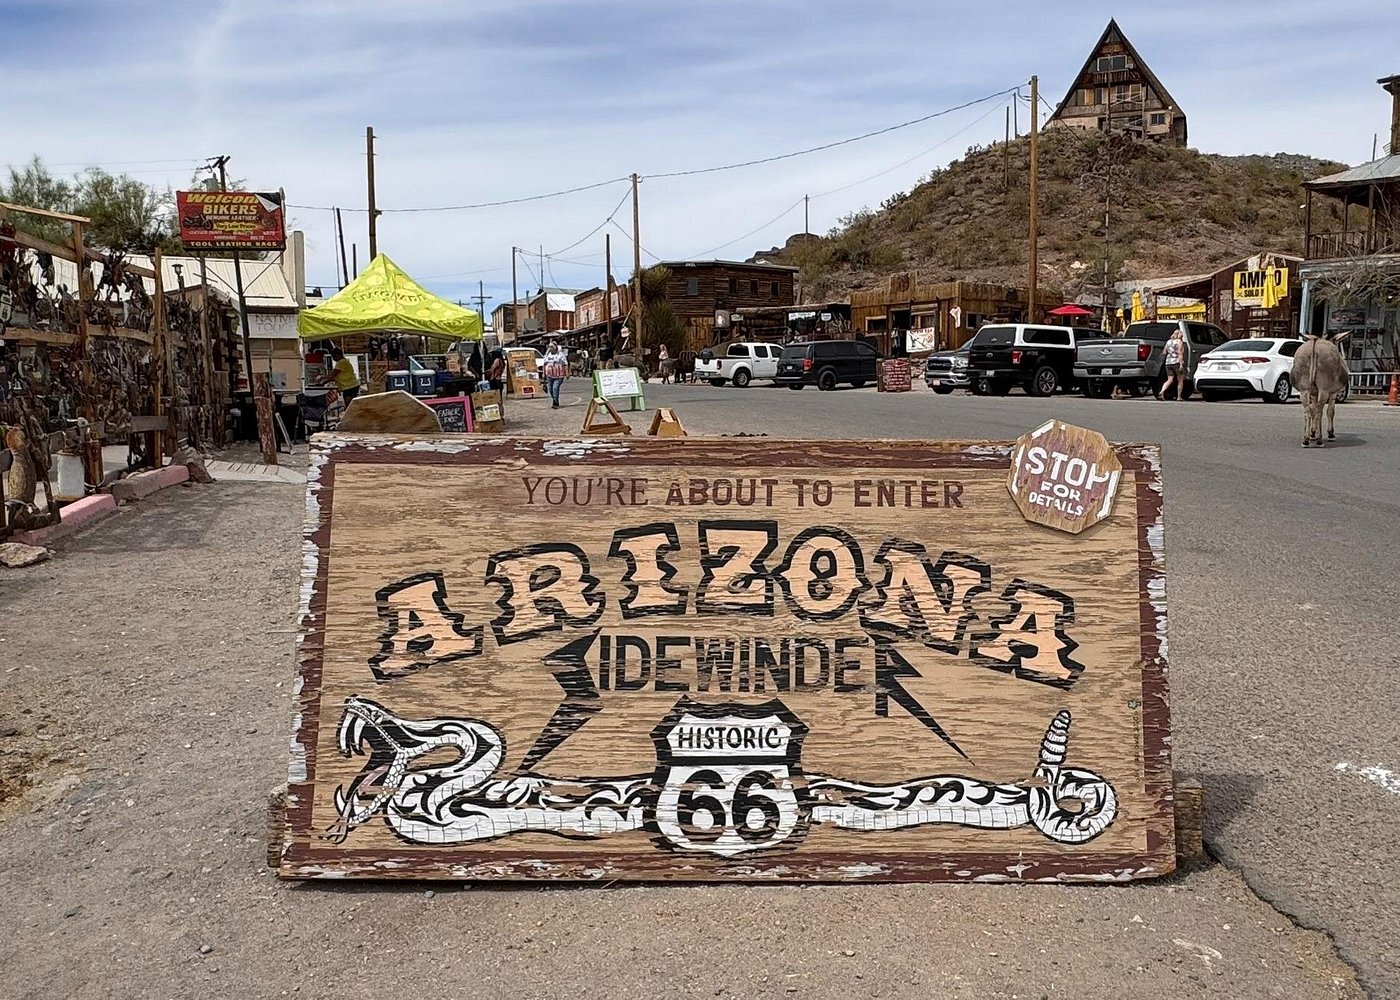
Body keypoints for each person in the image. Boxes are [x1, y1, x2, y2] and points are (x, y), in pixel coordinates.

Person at [1159, 328, 1188, 400]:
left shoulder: (1168, 342)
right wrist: (1181, 364)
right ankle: (1179, 397)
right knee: (1180, 380)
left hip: (1168, 362)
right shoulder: (1179, 342)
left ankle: (1162, 391)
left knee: (1169, 380)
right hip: (1176, 362)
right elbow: (1180, 354)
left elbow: (1164, 352)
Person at [543, 340, 569, 408]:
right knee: (550, 389)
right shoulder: (547, 355)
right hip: (549, 375)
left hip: (558, 375)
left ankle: (555, 403)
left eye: (552, 347)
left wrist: (567, 373)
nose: (550, 348)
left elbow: (565, 364)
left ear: (555, 347)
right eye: (549, 347)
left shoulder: (560, 355)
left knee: (555, 388)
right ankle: (554, 399)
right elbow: (545, 364)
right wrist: (544, 373)